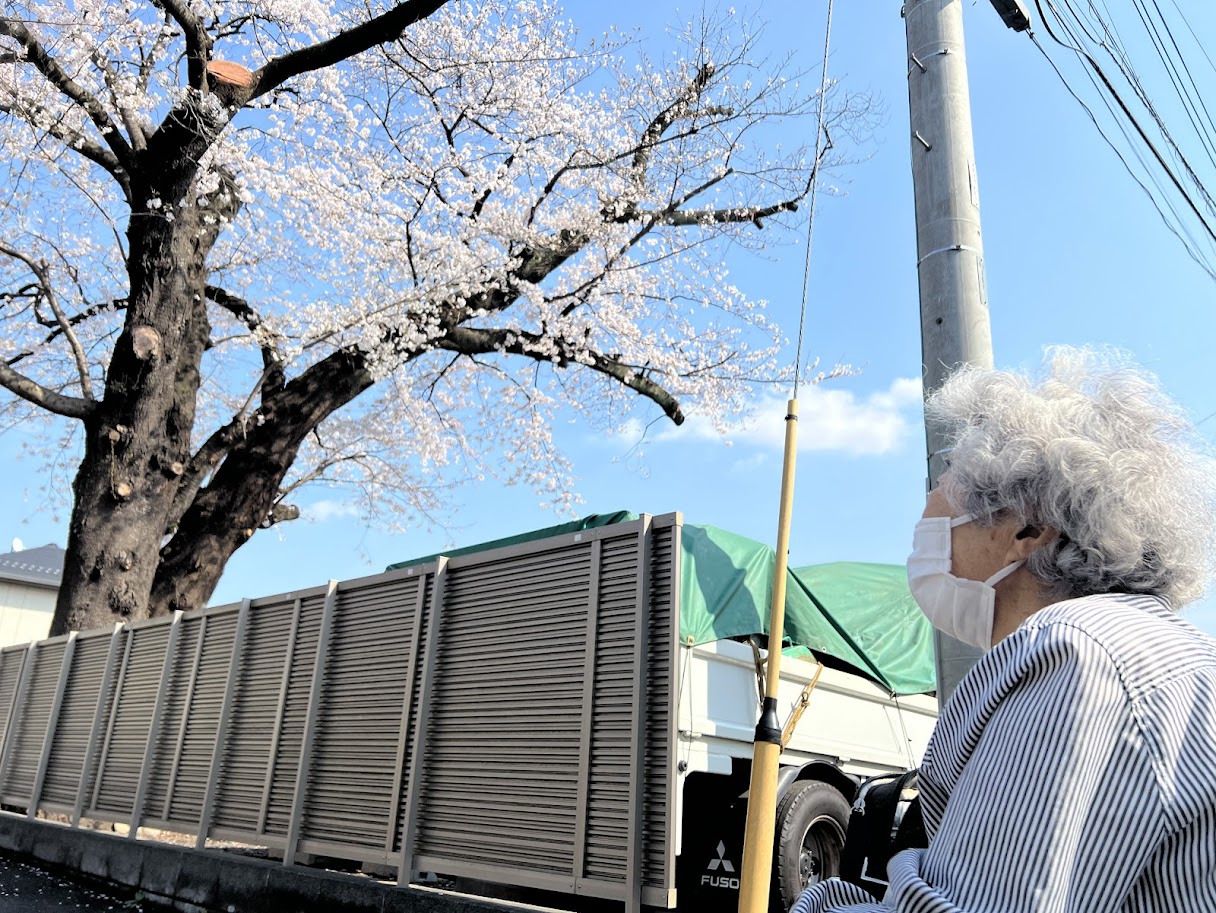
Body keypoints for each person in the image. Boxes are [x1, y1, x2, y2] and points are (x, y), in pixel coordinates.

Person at [793, 347, 1216, 913]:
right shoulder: (1153, 650)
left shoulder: (1076, 653)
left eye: (947, 481)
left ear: (1030, 525)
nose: (926, 514)